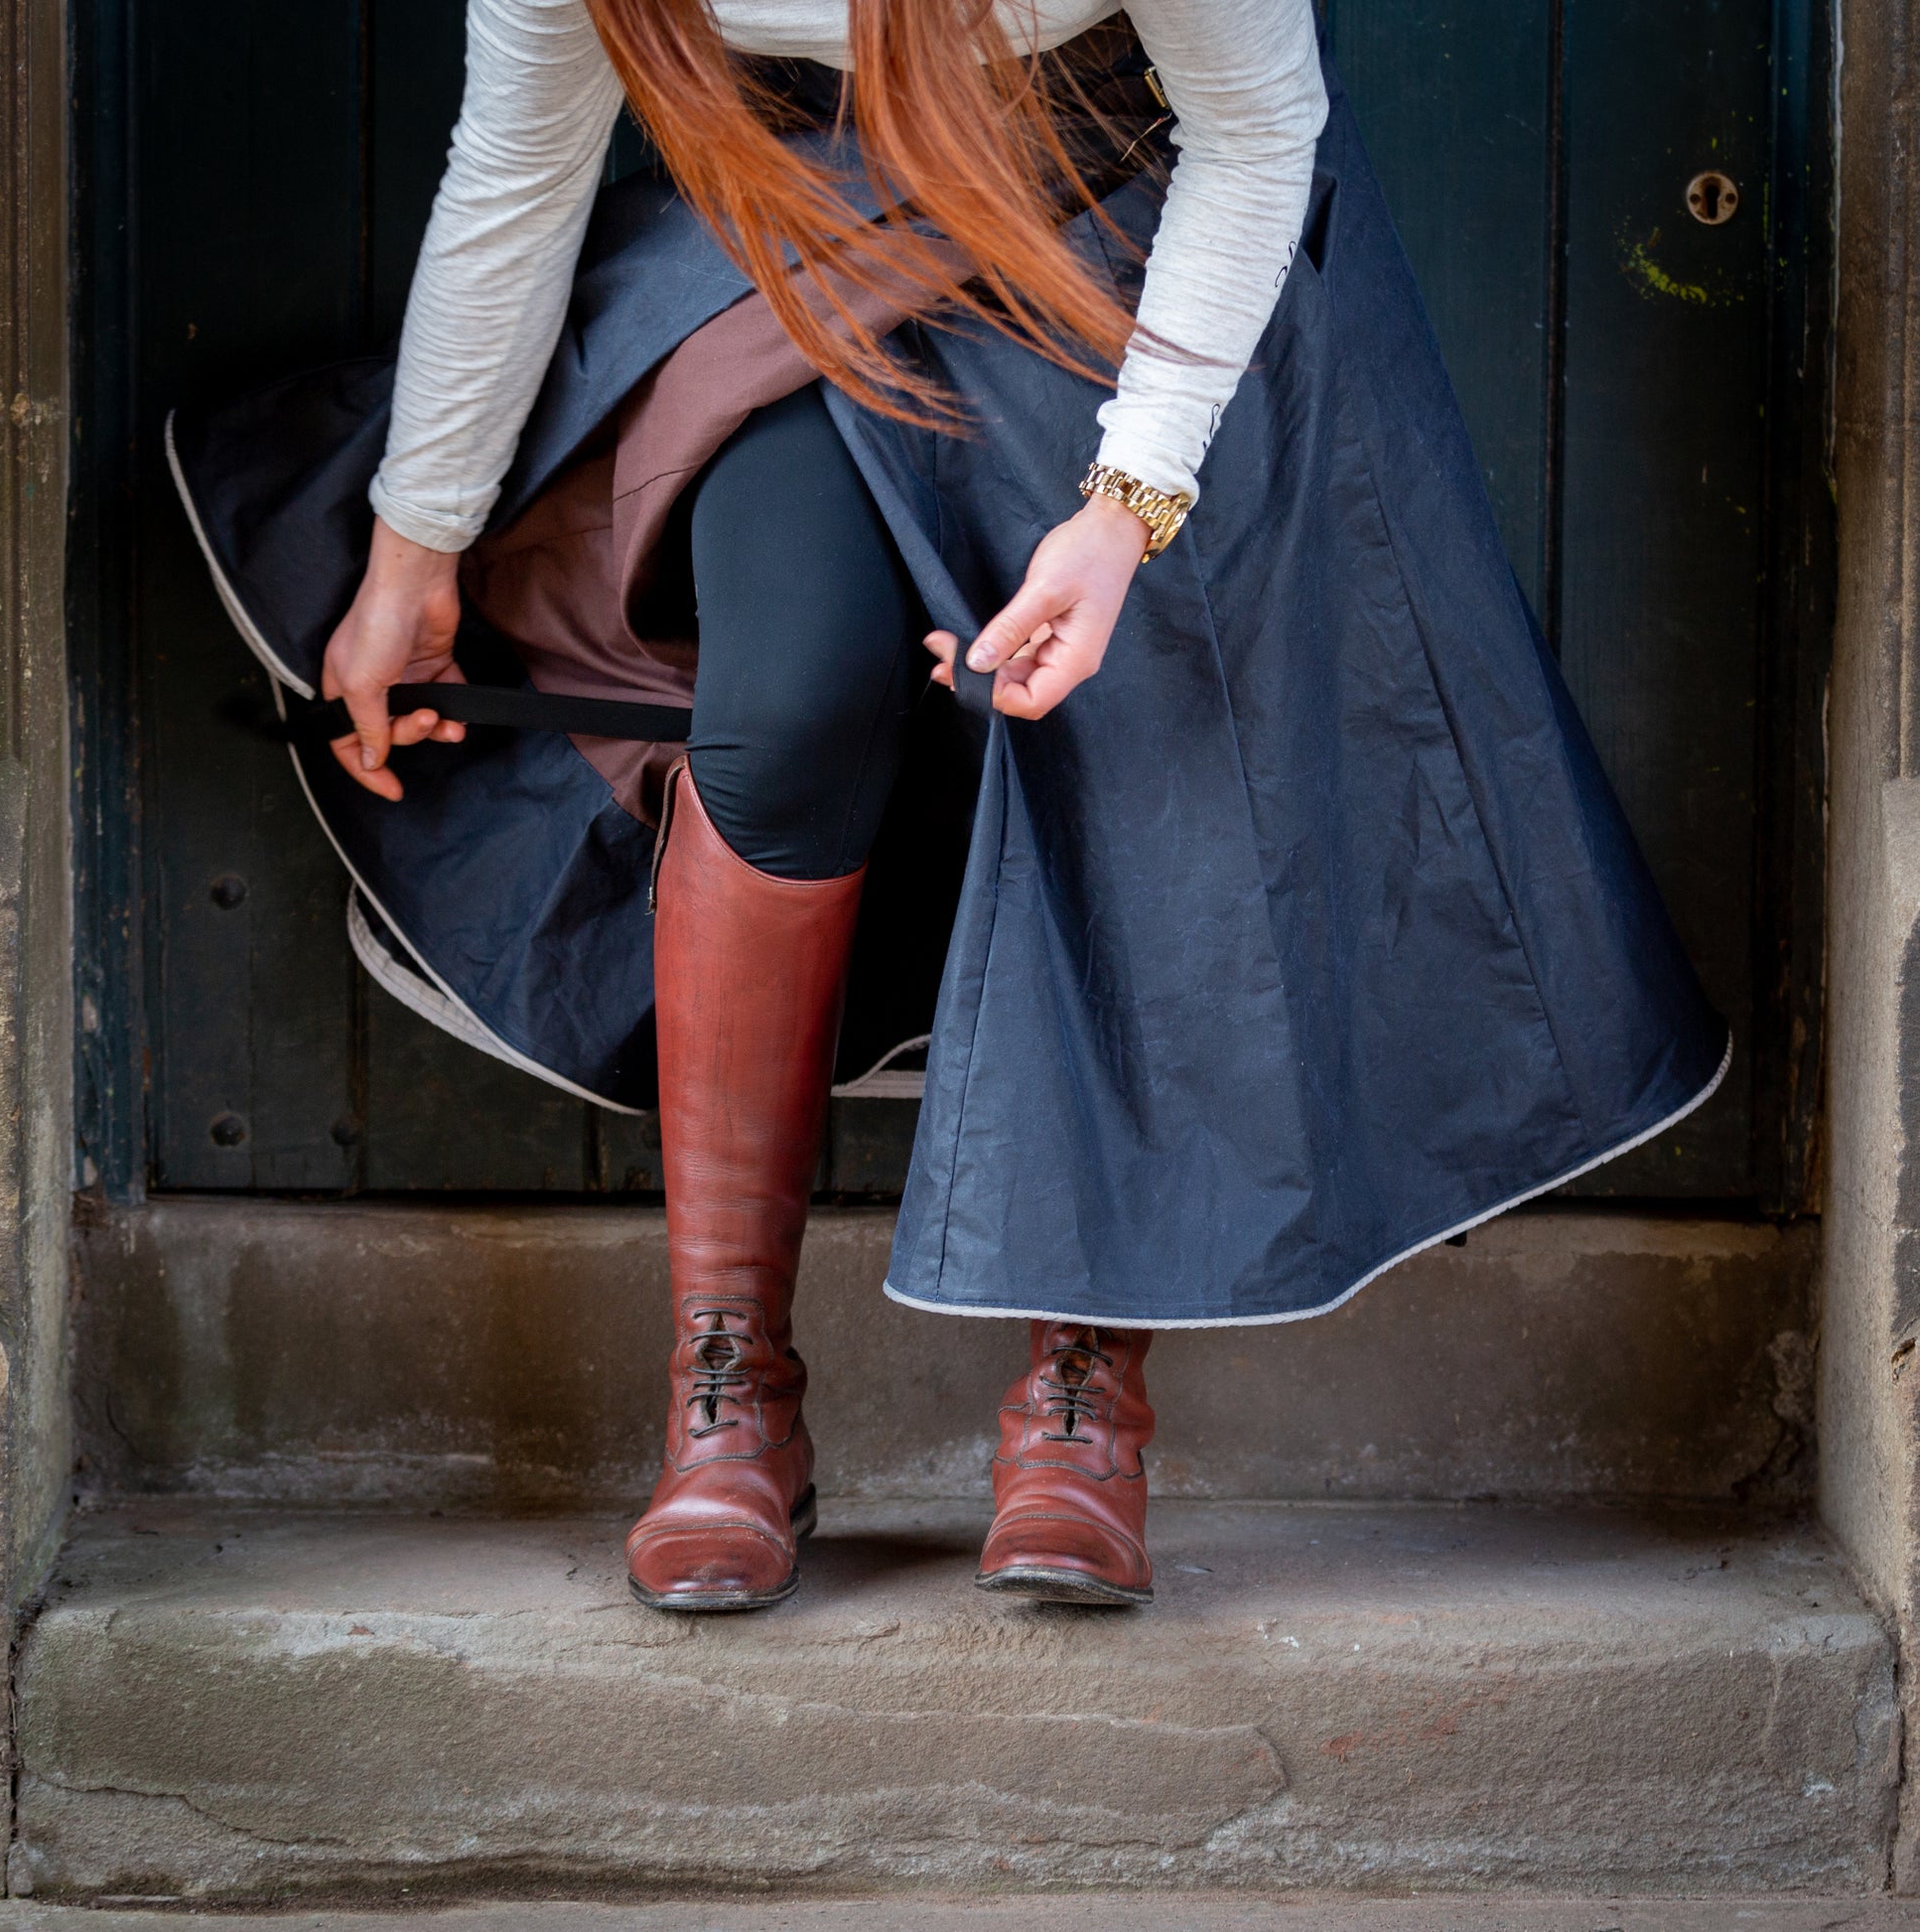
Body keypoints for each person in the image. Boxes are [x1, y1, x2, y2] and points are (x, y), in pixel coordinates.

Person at [172, 0, 1728, 1614]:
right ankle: (730, 1391)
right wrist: (418, 546)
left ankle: (1084, 1370)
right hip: (806, 251)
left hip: (1128, 224)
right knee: (777, 727)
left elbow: (1260, 137)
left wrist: (1126, 511)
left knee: (1137, 702)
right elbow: (519, 164)